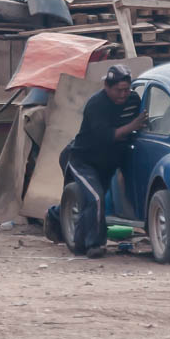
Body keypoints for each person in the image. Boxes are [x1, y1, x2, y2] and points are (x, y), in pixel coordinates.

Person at [50, 65, 147, 258]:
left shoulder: (134, 100)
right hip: (82, 161)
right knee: (95, 198)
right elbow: (108, 136)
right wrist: (133, 126)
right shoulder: (96, 105)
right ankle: (94, 245)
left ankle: (57, 220)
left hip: (108, 163)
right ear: (106, 87)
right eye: (118, 90)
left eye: (126, 89)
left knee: (91, 201)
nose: (123, 94)